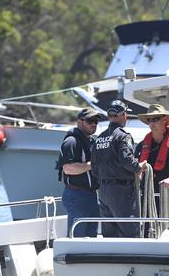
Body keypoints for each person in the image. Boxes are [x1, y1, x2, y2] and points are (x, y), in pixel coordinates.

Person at [91, 100, 143, 238]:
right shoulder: (122, 136)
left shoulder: (99, 138)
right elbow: (127, 160)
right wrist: (139, 167)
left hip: (103, 191)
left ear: (109, 116)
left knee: (109, 235)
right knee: (130, 233)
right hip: (121, 192)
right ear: (123, 115)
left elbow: (94, 167)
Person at [58, 107, 101, 238]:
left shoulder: (92, 141)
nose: (93, 124)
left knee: (91, 237)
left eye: (96, 121)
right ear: (79, 122)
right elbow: (68, 168)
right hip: (77, 196)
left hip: (92, 196)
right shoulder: (71, 142)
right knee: (77, 237)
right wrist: (91, 165)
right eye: (89, 121)